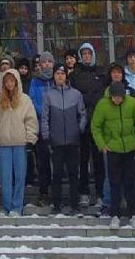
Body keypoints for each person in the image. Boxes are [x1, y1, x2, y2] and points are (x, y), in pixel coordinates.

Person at [92, 81, 135, 227]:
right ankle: (114, 214)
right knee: (114, 182)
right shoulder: (102, 105)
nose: (117, 100)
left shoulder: (132, 103)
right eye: (115, 97)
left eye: (120, 97)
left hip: (130, 148)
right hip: (112, 149)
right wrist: (102, 145)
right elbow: (96, 126)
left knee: (129, 182)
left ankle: (133, 214)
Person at [0, 68, 38, 217]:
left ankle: (17, 207)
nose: (9, 84)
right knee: (5, 177)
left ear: (16, 82)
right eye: (7, 81)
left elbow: (31, 121)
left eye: (12, 81)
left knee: (20, 176)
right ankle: (7, 206)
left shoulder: (25, 100)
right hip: (4, 143)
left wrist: (31, 139)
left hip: (20, 142)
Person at [41, 62, 86, 217]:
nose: (60, 76)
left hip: (73, 141)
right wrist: (46, 135)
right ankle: (56, 204)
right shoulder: (48, 95)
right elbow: (45, 117)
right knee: (57, 174)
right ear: (53, 76)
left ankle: (75, 204)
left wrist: (79, 129)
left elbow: (82, 114)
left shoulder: (76, 94)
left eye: (62, 74)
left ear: (66, 76)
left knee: (73, 174)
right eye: (57, 74)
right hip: (56, 141)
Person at [70, 42, 108, 207]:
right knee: (83, 160)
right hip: (82, 122)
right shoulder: (75, 75)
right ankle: (84, 192)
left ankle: (100, 193)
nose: (86, 56)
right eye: (84, 54)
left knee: (99, 160)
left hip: (98, 123)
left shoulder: (101, 73)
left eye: (89, 54)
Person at [28, 51, 56, 204]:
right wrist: (44, 112)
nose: (47, 64)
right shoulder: (35, 81)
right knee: (43, 159)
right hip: (40, 124)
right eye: (44, 62)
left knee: (58, 159)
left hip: (57, 123)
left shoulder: (57, 78)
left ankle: (57, 191)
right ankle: (44, 191)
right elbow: (32, 100)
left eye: (49, 62)